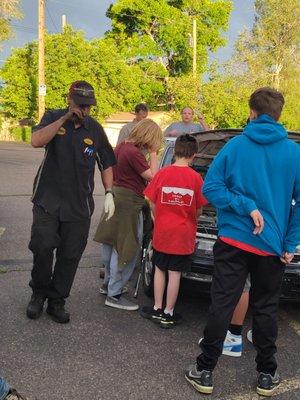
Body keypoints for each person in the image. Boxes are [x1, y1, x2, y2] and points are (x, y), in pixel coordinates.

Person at [185, 87, 300, 397]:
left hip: (234, 240)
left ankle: (205, 370)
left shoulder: (235, 147)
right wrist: (290, 243)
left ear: (252, 112)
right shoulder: (295, 153)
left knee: (221, 303)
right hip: (272, 246)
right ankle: (266, 374)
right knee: (265, 309)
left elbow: (211, 189)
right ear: (279, 115)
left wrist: (241, 204)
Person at [26, 81, 116, 324]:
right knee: (43, 248)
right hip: (47, 200)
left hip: (79, 206)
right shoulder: (54, 117)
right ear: (69, 100)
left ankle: (57, 300)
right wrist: (65, 118)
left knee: (70, 255)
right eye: (80, 104)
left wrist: (109, 192)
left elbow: (106, 162)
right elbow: (36, 140)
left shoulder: (95, 130)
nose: (85, 110)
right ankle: (38, 293)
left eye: (88, 106)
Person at [94, 119, 163, 311]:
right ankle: (114, 294)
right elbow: (154, 178)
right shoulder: (134, 153)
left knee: (111, 244)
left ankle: (108, 285)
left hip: (115, 198)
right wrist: (153, 153)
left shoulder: (122, 147)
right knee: (126, 247)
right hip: (128, 203)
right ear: (149, 136)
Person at [140, 134, 207, 328]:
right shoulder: (195, 178)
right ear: (194, 155)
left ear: (175, 151)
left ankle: (157, 307)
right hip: (183, 235)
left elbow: (151, 201)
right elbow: (199, 209)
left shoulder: (162, 173)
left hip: (163, 232)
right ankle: (169, 312)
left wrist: (157, 216)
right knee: (175, 273)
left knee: (159, 269)